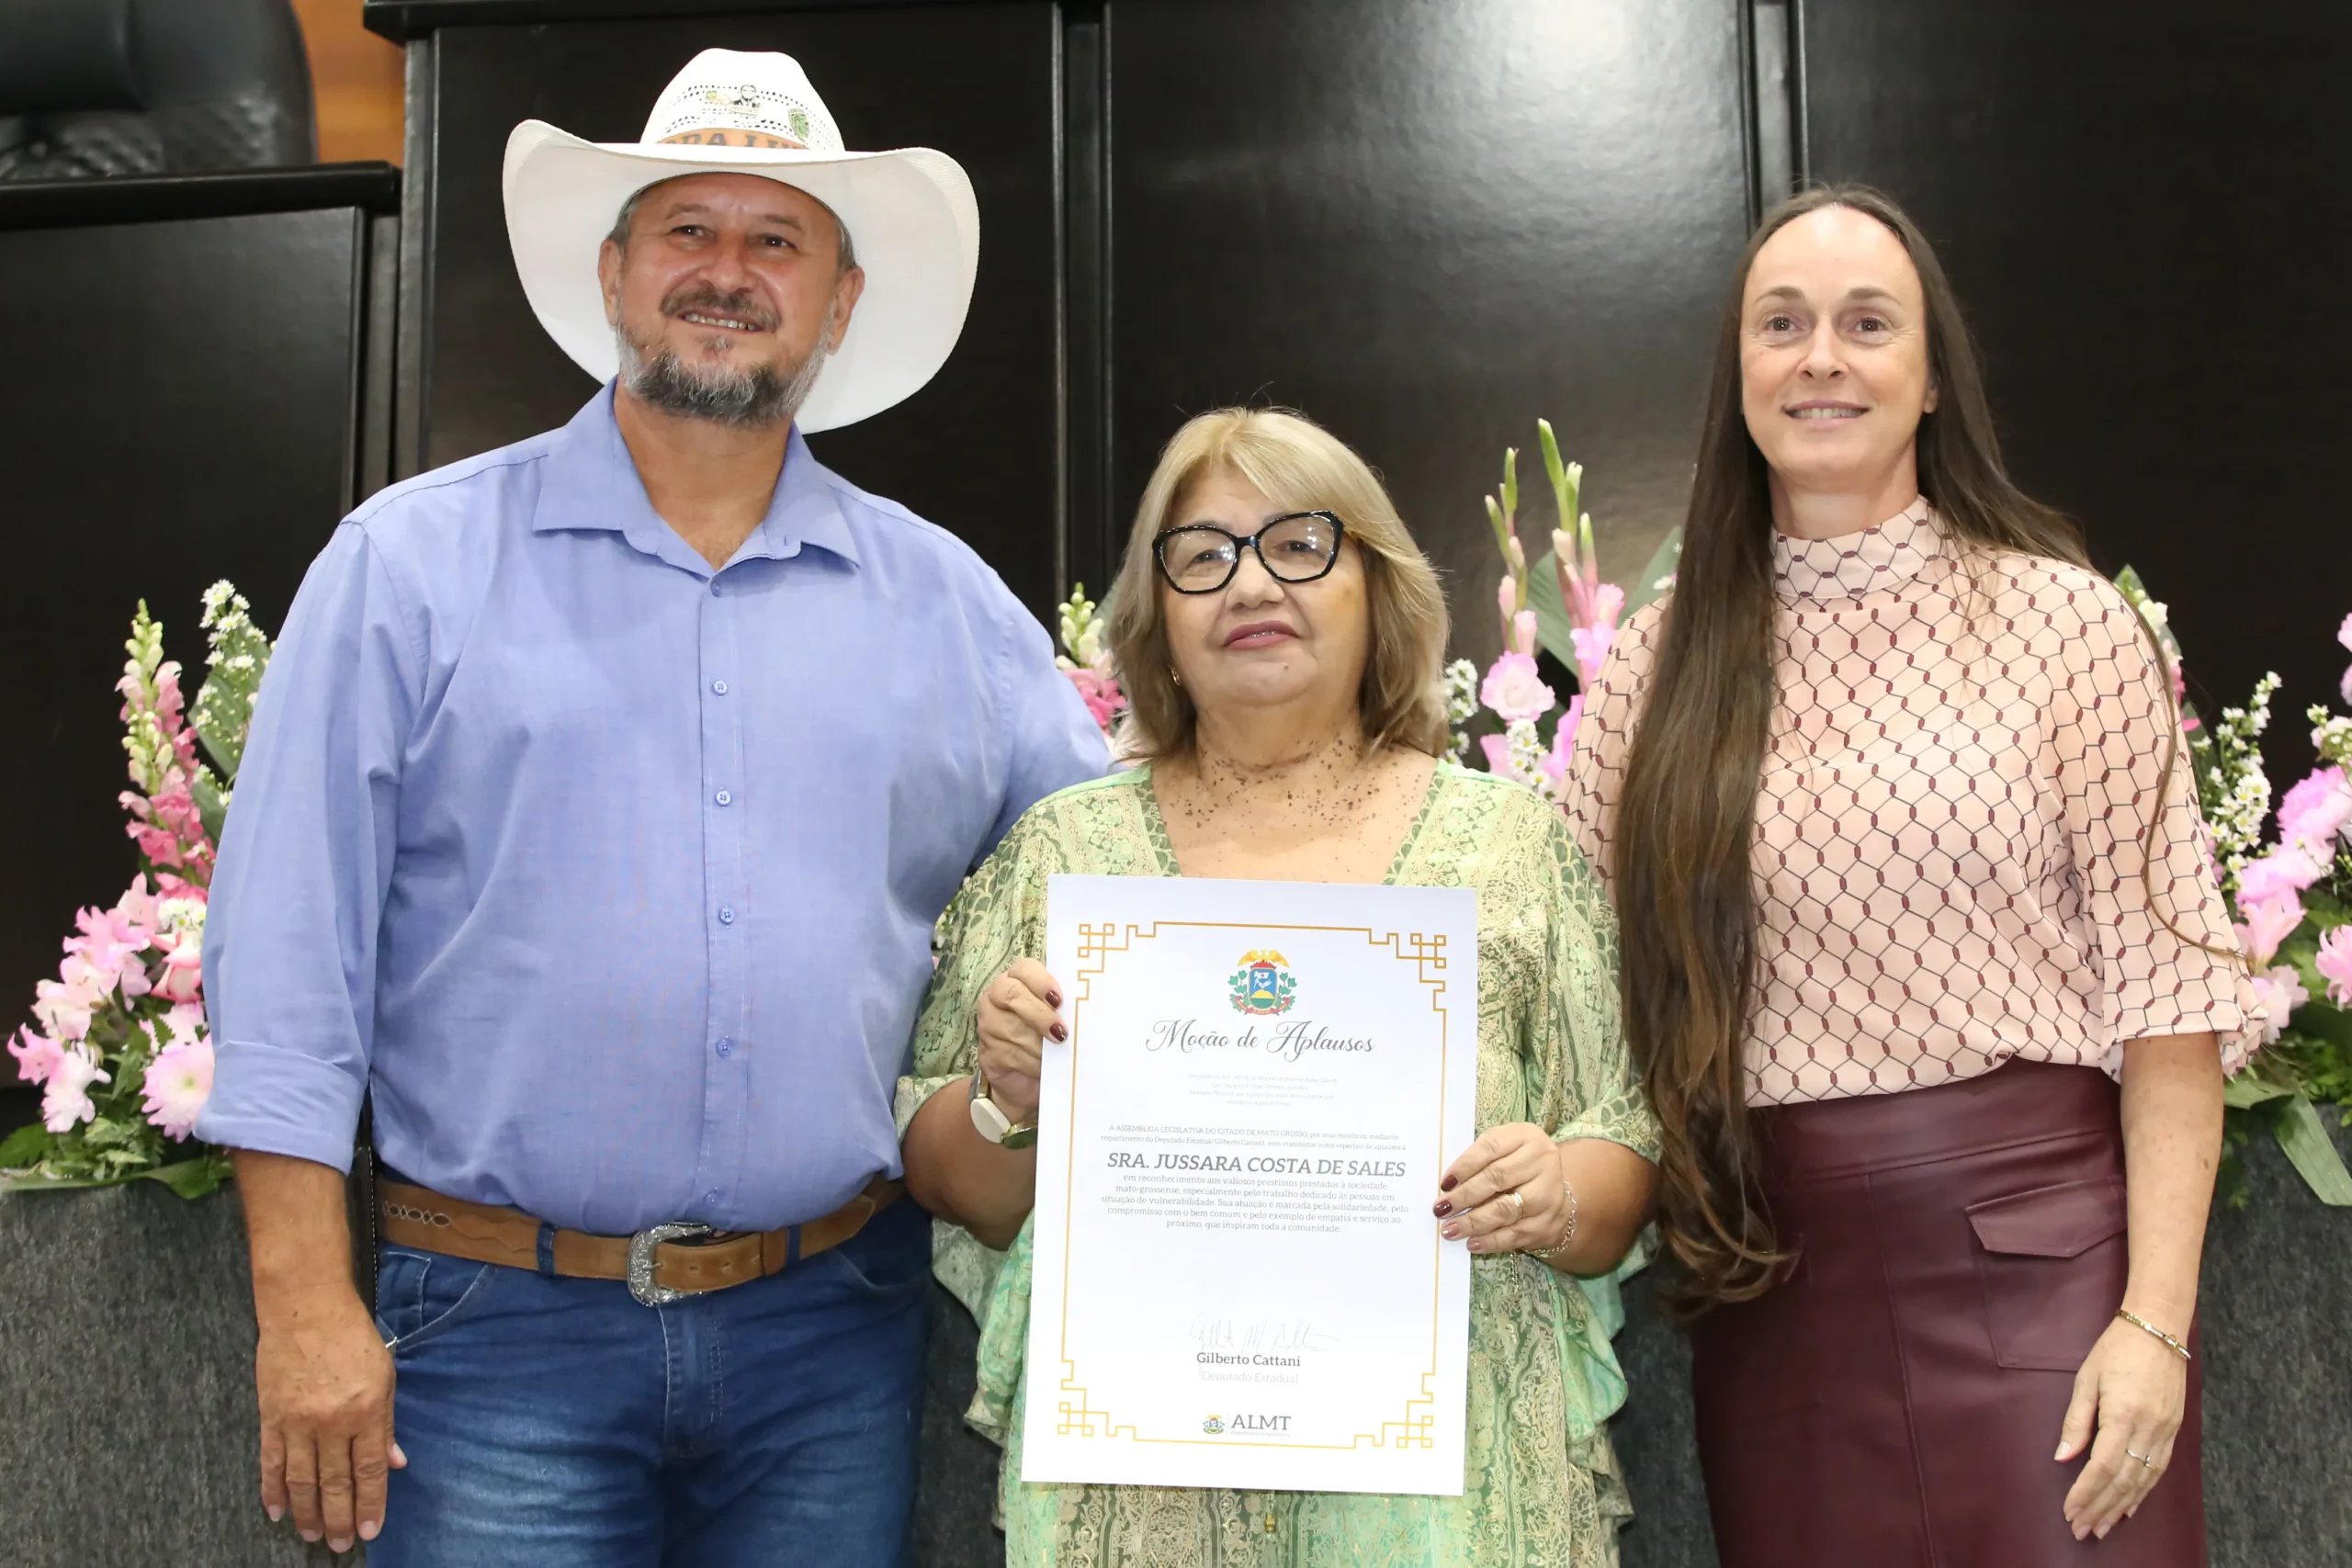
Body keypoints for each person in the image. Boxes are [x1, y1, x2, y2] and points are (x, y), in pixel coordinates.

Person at [194, 49, 1106, 1566]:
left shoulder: (945, 604)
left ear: (837, 302)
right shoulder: (405, 568)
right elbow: (288, 965)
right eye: (688, 230)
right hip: (494, 1342)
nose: (728, 274)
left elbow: (1123, 870)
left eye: (777, 241)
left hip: (831, 1336)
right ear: (614, 274)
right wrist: (302, 1309)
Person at [1564, 185, 2258, 1567]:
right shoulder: (1651, 668)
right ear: (1740, 374)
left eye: (1867, 323)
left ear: (1933, 378)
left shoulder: (2065, 625)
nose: (1822, 355)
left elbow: (2172, 1009)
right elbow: (1558, 962)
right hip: (1779, 1295)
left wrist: (2156, 1322)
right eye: (1783, 324)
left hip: (2054, 1287)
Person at [897, 407, 1660, 1567]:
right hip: (1141, 1489)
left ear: (1375, 586)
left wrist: (1555, 1195)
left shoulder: (1507, 847)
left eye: (1299, 544)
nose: (1250, 586)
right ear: (1156, 617)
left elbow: (1624, 1146)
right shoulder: (1065, 856)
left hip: (1440, 1493)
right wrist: (1007, 1100)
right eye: (1202, 555)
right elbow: (963, 1190)